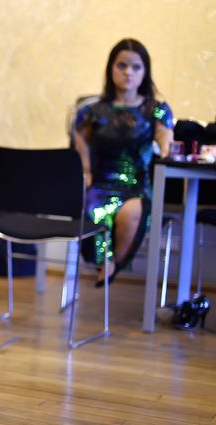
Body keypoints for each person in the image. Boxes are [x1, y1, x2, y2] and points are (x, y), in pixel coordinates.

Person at [73, 38, 174, 286]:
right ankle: (103, 264)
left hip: (137, 189)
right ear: (111, 68)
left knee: (131, 213)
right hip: (99, 186)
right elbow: (79, 141)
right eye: (122, 65)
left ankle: (112, 267)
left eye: (136, 67)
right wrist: (85, 171)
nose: (128, 72)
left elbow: (165, 141)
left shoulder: (156, 109)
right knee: (94, 212)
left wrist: (166, 147)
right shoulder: (91, 111)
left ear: (145, 72)